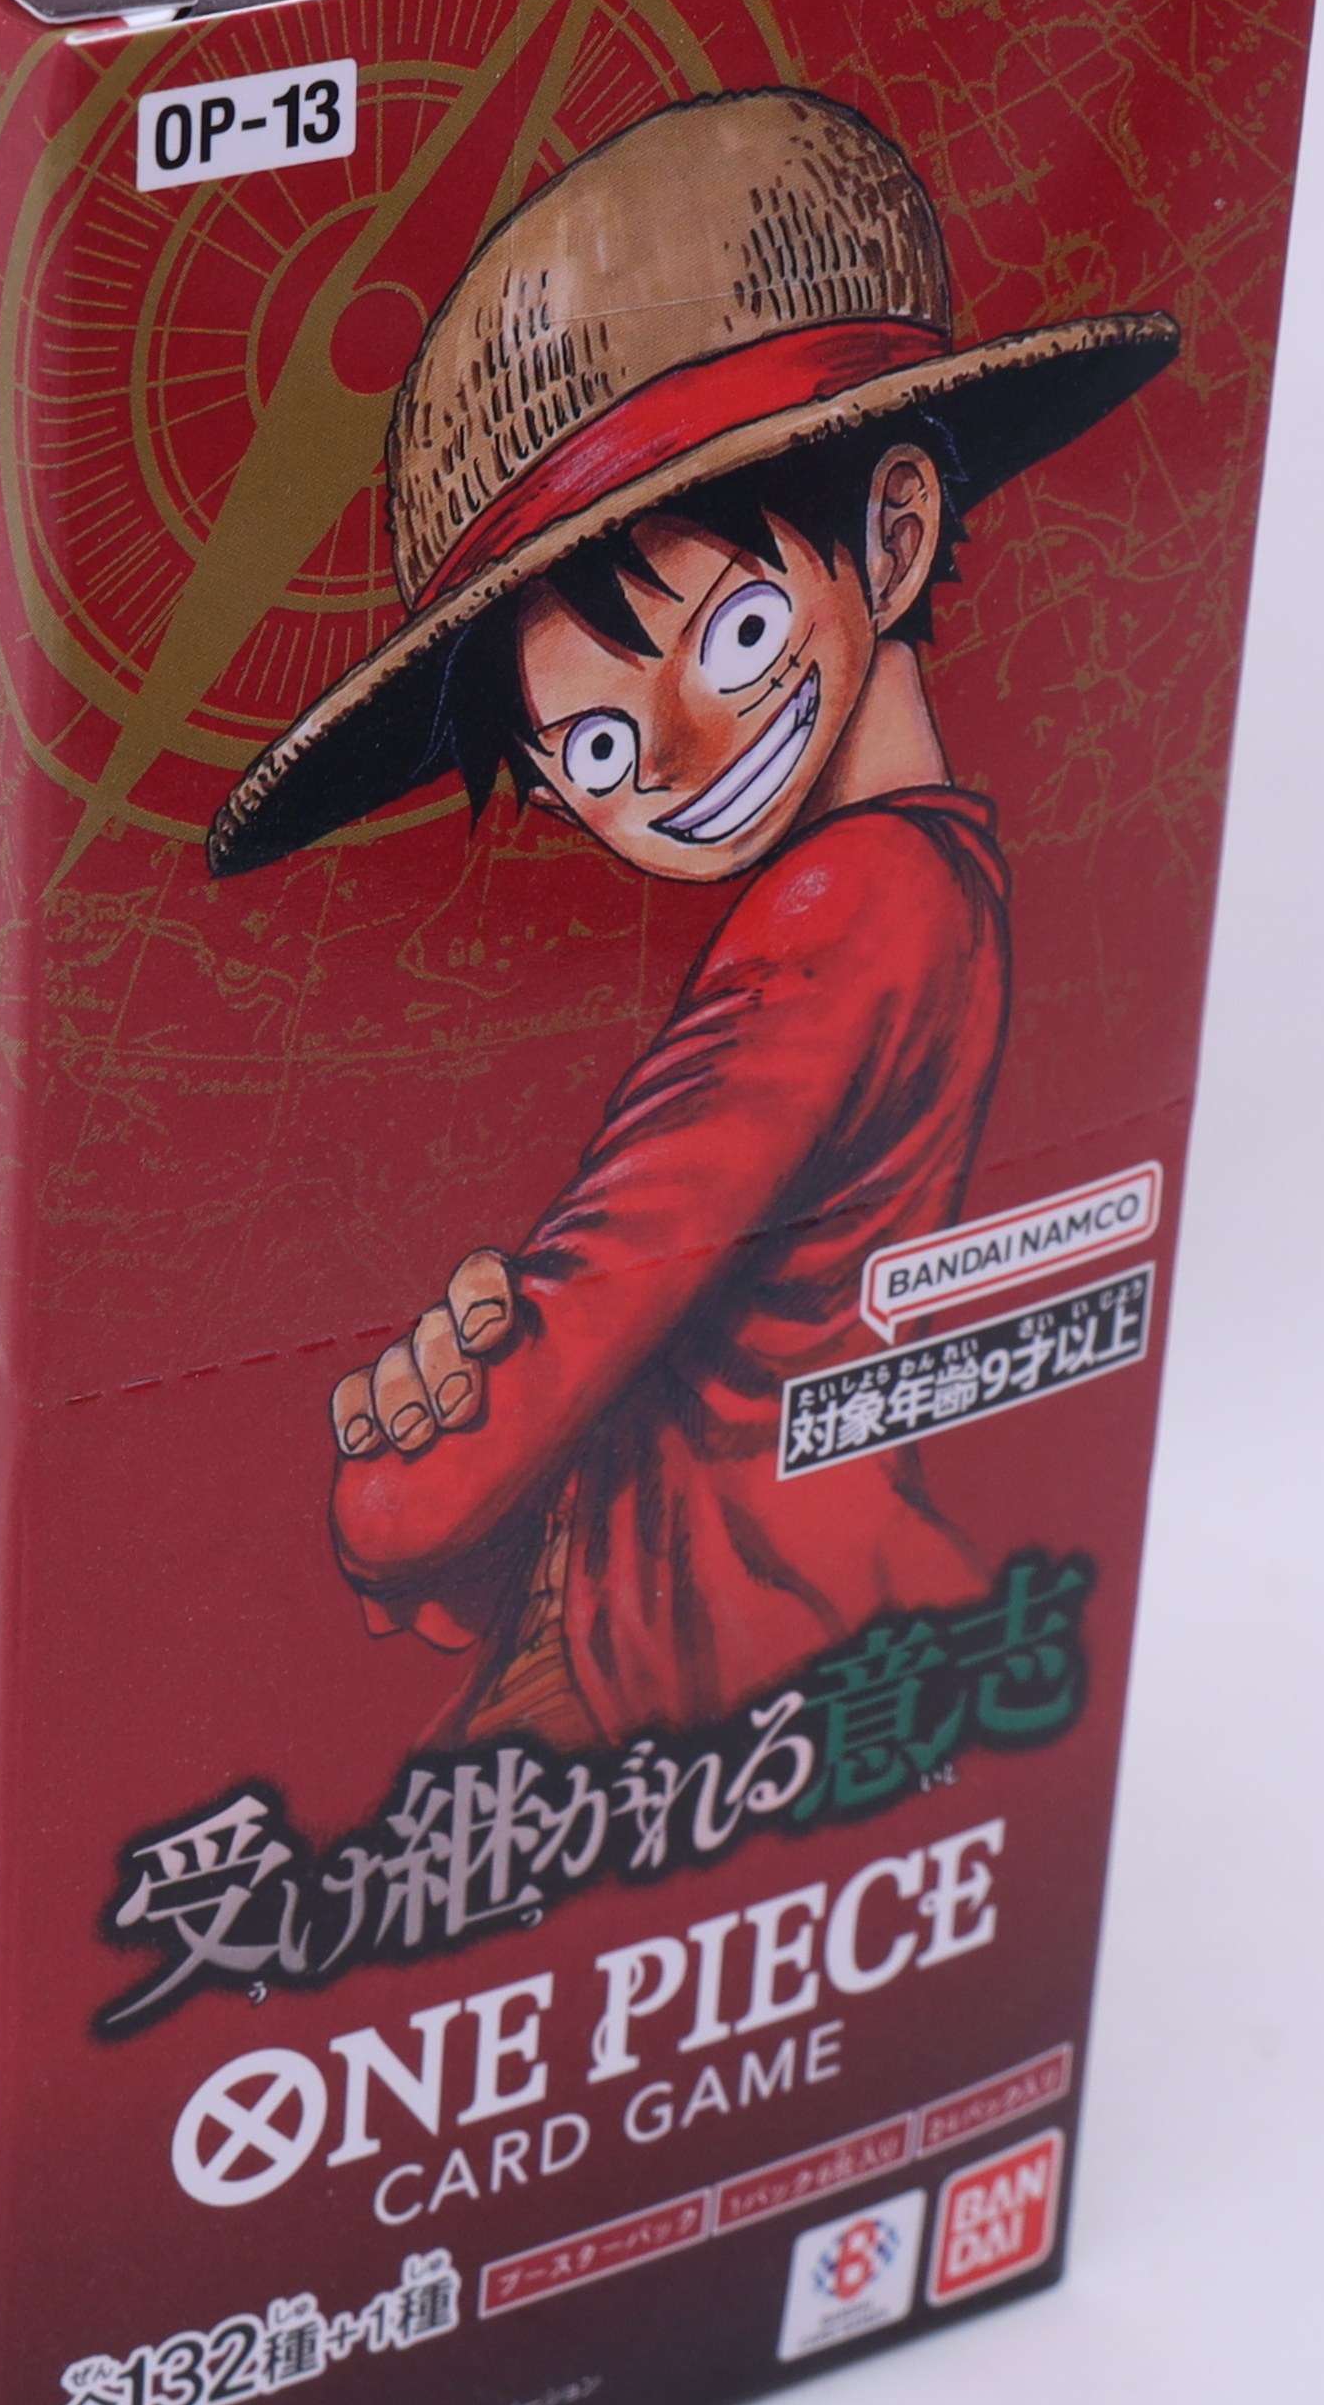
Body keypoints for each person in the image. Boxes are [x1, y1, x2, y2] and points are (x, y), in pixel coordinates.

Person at [206, 87, 1176, 1748]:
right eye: (589, 750)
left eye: (732, 638)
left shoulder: (845, 909)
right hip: (732, 1626)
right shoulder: (934, 878)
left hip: (691, 1666)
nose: (668, 759)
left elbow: (439, 1494)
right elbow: (647, 1372)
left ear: (893, 534)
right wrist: (468, 1410)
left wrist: (404, 1472)